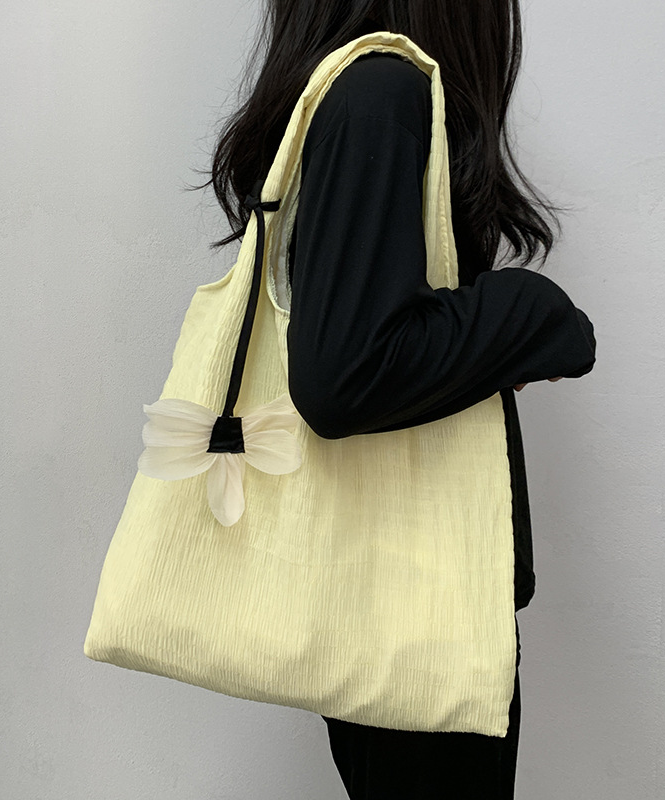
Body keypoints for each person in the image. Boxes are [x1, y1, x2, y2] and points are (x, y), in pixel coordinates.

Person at [195, 3, 597, 798]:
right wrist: (532, 314)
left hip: (399, 591)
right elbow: (345, 374)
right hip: (415, 604)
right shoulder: (380, 92)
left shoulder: (360, 92)